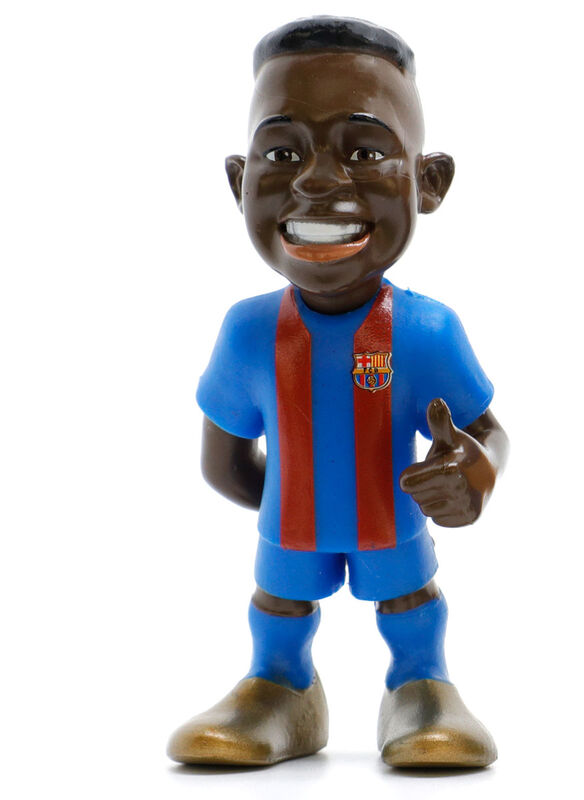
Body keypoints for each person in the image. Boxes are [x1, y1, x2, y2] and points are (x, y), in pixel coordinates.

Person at [167, 16, 509, 768]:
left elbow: (487, 431)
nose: (318, 182)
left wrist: (471, 473)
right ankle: (279, 688)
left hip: (394, 521)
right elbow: (222, 462)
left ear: (428, 182)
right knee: (278, 605)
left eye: (365, 152)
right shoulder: (247, 334)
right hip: (289, 530)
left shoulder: (427, 331)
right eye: (283, 153)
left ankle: (422, 687)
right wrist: (296, 502)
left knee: (410, 603)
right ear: (239, 182)